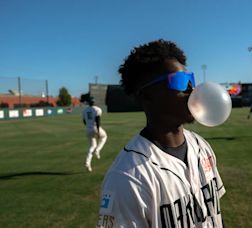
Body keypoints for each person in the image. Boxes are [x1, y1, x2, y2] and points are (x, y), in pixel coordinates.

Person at [97, 39, 226, 227]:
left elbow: (216, 216)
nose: (191, 89)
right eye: (180, 81)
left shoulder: (202, 147)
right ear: (147, 95)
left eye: (191, 79)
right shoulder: (127, 178)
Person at [82, 96, 107, 172]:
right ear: (94, 102)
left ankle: (87, 164)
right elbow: (98, 121)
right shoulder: (98, 109)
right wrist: (98, 131)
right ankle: (98, 150)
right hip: (95, 128)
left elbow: (84, 121)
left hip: (88, 129)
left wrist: (89, 127)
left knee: (92, 146)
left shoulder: (84, 110)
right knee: (104, 136)